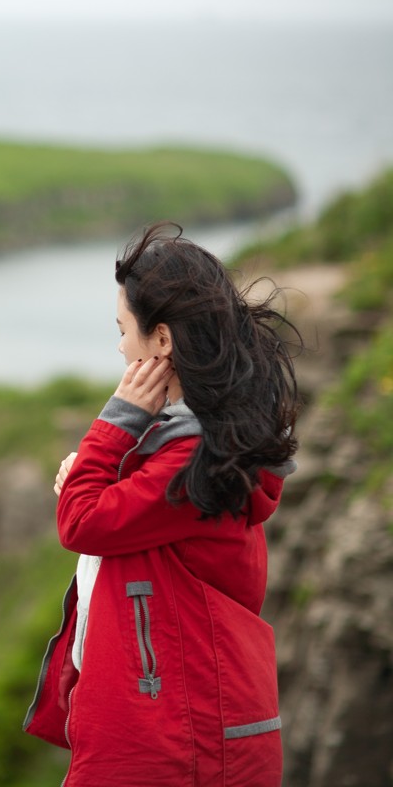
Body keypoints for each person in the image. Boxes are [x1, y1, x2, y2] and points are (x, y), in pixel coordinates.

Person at [22, 221, 300, 786]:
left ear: (164, 340)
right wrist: (95, 473)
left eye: (123, 329)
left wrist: (113, 427)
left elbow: (82, 522)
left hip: (176, 736)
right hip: (181, 724)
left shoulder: (195, 454)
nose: (121, 345)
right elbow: (101, 510)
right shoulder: (209, 443)